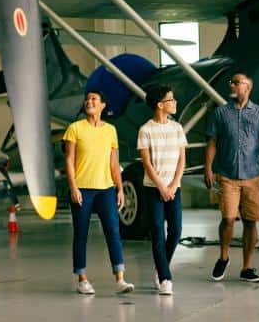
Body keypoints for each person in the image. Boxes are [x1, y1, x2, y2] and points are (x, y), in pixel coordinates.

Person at [205, 73, 259, 282]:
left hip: (253, 176)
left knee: (250, 221)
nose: (233, 85)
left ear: (248, 88)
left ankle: (247, 267)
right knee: (228, 218)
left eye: (237, 83)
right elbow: (212, 143)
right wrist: (208, 168)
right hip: (227, 175)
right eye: (232, 82)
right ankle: (223, 256)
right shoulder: (220, 113)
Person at [64, 90, 134, 295]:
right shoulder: (74, 128)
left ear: (103, 105)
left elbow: (114, 162)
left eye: (94, 99)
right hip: (82, 189)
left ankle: (120, 279)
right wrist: (73, 187)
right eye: (87, 99)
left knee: (113, 232)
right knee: (81, 234)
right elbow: (69, 160)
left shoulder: (110, 130)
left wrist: (120, 188)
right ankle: (82, 279)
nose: (89, 102)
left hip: (106, 189)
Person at [137, 85, 187, 296]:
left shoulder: (177, 128)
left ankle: (160, 267)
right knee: (158, 232)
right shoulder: (145, 130)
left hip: (174, 189)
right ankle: (165, 278)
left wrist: (174, 185)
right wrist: (161, 187)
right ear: (160, 105)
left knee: (176, 231)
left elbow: (182, 159)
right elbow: (146, 163)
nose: (174, 103)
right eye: (171, 99)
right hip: (153, 189)